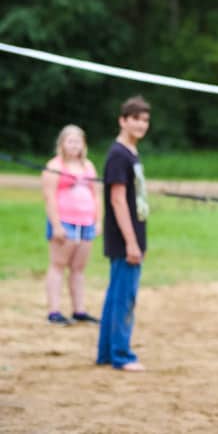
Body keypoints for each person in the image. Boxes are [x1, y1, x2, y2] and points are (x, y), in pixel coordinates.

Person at [97, 96, 151, 372]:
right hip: (124, 239)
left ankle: (106, 353)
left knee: (116, 294)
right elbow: (117, 201)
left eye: (145, 120)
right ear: (123, 121)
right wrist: (131, 242)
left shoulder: (130, 152)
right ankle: (121, 355)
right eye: (136, 119)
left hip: (132, 236)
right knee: (124, 297)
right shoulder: (118, 155)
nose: (141, 124)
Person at [41, 125, 102, 326]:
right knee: (58, 265)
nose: (74, 145)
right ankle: (54, 311)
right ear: (62, 144)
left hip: (86, 222)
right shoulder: (54, 166)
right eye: (70, 141)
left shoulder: (89, 166)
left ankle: (79, 310)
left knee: (79, 267)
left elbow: (97, 195)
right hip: (65, 221)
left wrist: (98, 220)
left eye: (78, 141)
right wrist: (57, 225)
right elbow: (49, 197)